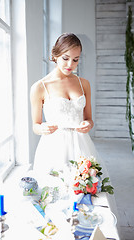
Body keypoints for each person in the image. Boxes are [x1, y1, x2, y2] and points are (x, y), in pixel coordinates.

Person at [30, 33, 102, 175]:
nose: (70, 65)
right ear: (55, 55)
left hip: (82, 145)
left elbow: (89, 119)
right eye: (65, 58)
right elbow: (35, 126)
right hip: (54, 147)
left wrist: (88, 124)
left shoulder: (84, 84)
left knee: (86, 189)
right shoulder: (39, 87)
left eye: (75, 60)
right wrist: (42, 128)